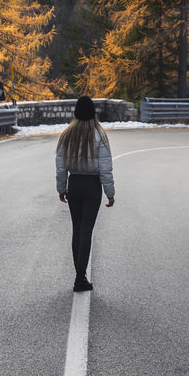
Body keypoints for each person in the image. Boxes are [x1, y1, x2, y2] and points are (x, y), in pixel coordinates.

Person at [55, 95, 115, 292]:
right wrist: (110, 192)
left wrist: (62, 188)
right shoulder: (99, 135)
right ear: (93, 114)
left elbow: (61, 166)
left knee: (77, 229)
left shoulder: (67, 135)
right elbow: (105, 168)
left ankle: (79, 275)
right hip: (92, 186)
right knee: (86, 231)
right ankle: (80, 277)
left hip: (75, 184)